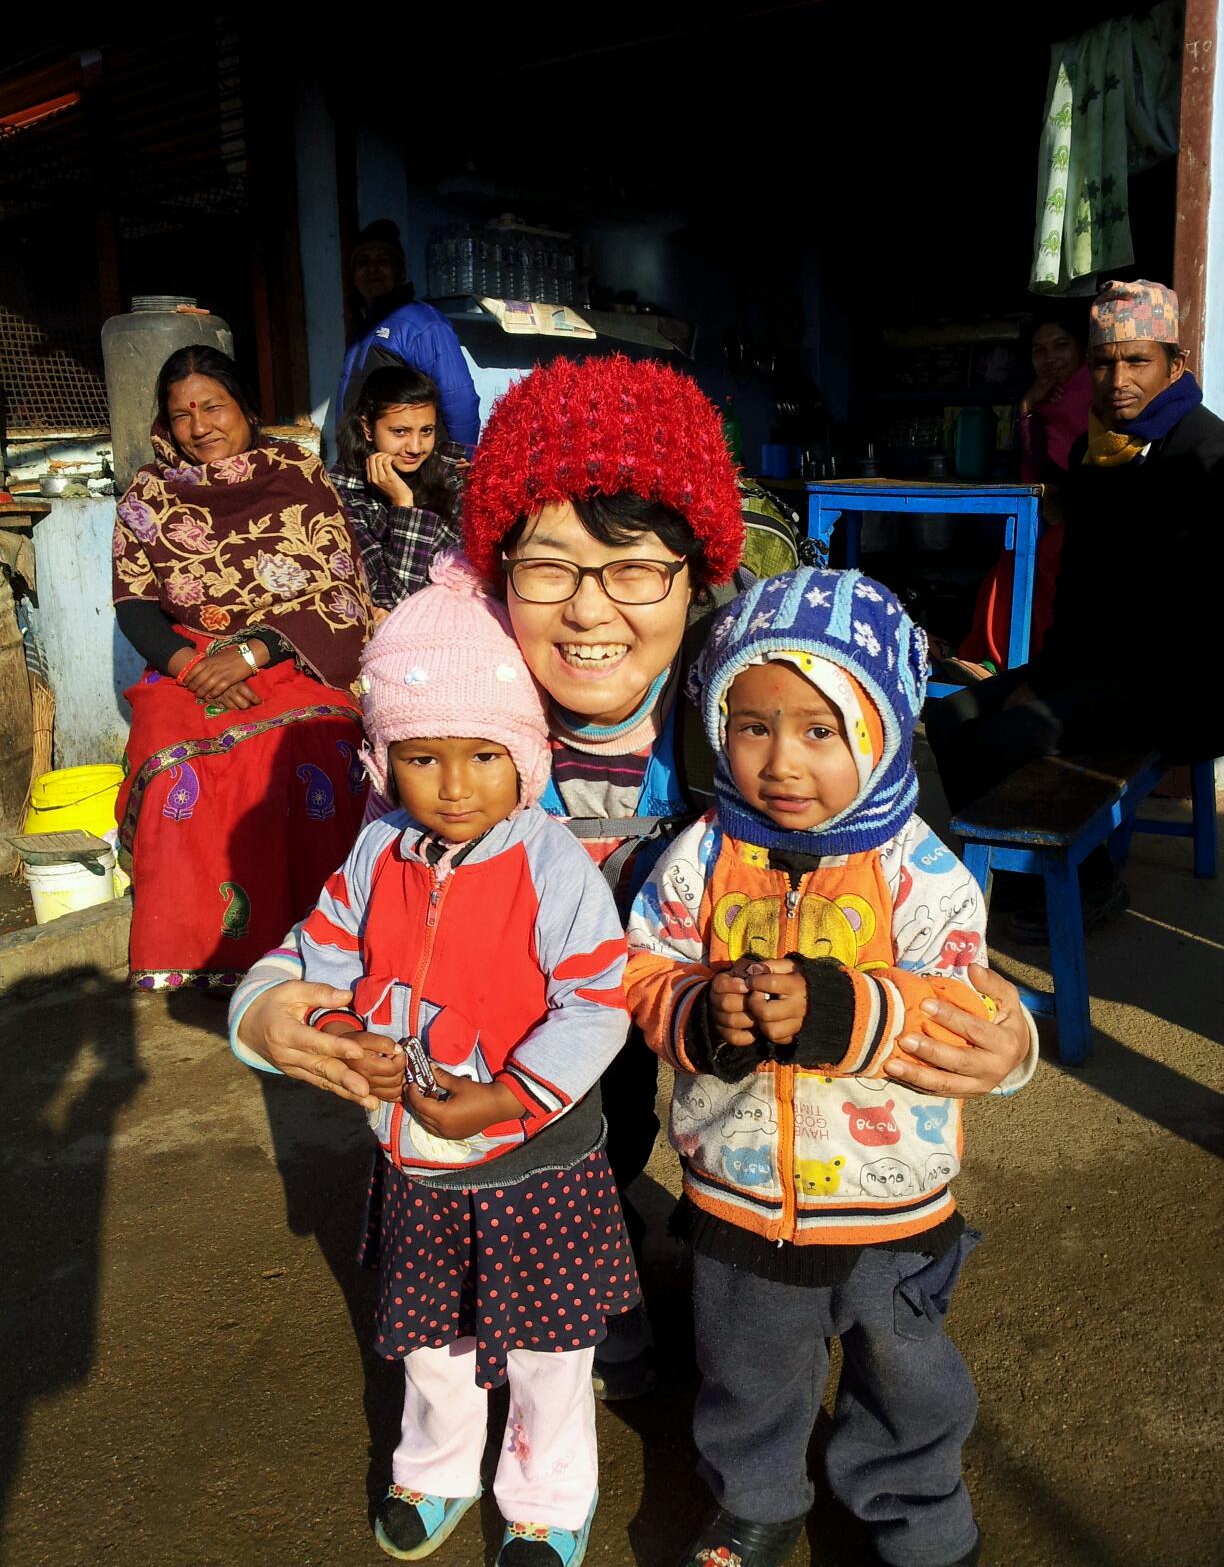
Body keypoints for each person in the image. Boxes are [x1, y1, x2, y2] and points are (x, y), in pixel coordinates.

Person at [230, 357, 1035, 1396]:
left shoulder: (775, 692)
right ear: (496, 570)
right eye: (548, 567)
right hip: (545, 996)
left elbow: (920, 904)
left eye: (636, 568)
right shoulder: (458, 706)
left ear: (699, 571)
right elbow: (368, 894)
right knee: (578, 1116)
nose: (588, 612)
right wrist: (268, 1005)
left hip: (725, 986)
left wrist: (1002, 1039)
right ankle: (577, 1259)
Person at [625, 567, 1037, 1567]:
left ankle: (916, 1506)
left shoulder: (921, 871)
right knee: (748, 1368)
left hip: (890, 1200)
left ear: (884, 732)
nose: (781, 761)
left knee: (904, 1369)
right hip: (736, 1192)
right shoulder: (697, 858)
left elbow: (964, 1004)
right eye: (751, 724)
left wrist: (844, 1009)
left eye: (821, 730)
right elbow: (643, 971)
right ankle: (757, 1500)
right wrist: (698, 1005)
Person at [298, 554, 636, 1565]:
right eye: (421, 756)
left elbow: (596, 1002)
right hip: (418, 1161)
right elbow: (323, 955)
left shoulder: (554, 863)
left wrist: (504, 1096)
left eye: (483, 755)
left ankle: (547, 1494)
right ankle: (436, 1470)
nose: (452, 785)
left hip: (536, 1157)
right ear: (384, 760)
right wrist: (336, 1032)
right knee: (433, 1343)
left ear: (524, 756)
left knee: (548, 1348)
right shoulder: (374, 854)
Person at [927, 279, 1224, 940]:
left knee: (1011, 735)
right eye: (1104, 362)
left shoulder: (1205, 456)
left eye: (1137, 361)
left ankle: (1091, 887)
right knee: (951, 718)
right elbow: (1081, 590)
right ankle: (1026, 877)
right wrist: (1048, 674)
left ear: (1175, 365)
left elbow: (1187, 616)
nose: (1117, 379)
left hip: (1177, 677)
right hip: (1102, 662)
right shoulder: (1101, 450)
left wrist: (1060, 688)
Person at [112, 345, 374, 989]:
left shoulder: (296, 471)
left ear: (244, 408)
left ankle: (325, 941)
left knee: (311, 742)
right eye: (181, 415)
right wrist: (188, 666)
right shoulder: (148, 495)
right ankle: (207, 956)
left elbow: (340, 591)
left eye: (213, 406)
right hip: (190, 666)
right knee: (172, 747)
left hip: (296, 656)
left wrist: (253, 654)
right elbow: (135, 605)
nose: (199, 426)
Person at [950, 305, 1091, 681]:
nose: (1049, 359)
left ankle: (1020, 663)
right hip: (1054, 513)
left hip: (1088, 515)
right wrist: (1028, 405)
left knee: (1042, 557)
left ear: (1084, 349)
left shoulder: (1095, 393)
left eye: (1061, 345)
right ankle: (997, 662)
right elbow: (1039, 469)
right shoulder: (1048, 397)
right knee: (1012, 562)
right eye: (1039, 350)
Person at [337, 220, 481, 450]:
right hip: (368, 470)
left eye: (382, 261)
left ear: (400, 272)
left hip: (413, 472)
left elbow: (459, 399)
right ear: (353, 275)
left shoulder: (422, 323)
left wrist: (462, 460)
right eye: (363, 261)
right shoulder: (363, 331)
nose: (372, 269)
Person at [330, 365, 462, 608]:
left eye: (426, 431)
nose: (414, 446)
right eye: (400, 432)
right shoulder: (345, 499)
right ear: (368, 429)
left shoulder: (453, 472)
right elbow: (396, 599)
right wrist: (403, 504)